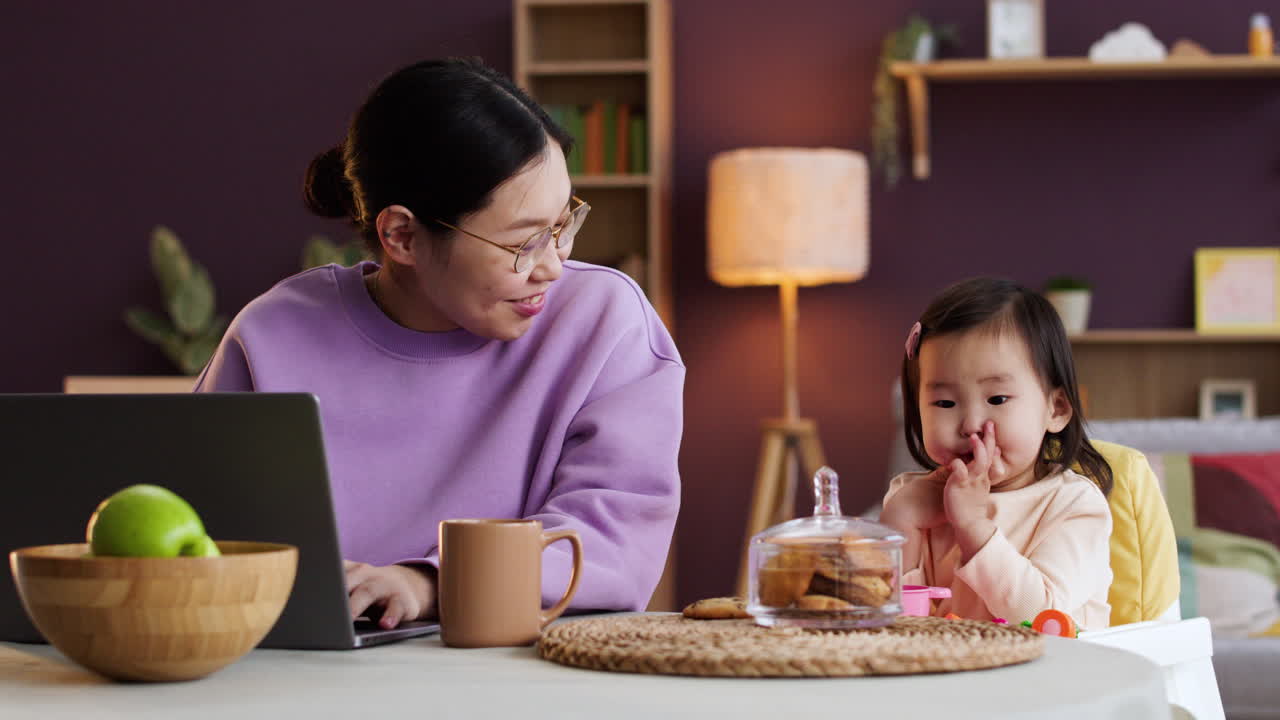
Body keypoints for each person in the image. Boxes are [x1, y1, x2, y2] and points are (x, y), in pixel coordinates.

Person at [195, 58, 684, 629]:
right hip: (306, 664)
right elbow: (195, 536)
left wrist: (430, 581)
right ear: (401, 236)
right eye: (523, 243)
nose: (553, 265)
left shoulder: (604, 321)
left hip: (525, 666)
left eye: (561, 225)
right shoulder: (271, 334)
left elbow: (613, 540)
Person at [880, 276, 1113, 629]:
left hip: (1051, 665)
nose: (971, 424)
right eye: (945, 403)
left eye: (997, 399)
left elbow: (1043, 617)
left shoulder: (1074, 505)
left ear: (1056, 408)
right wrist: (901, 522)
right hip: (940, 665)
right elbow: (881, 621)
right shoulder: (910, 499)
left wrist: (973, 527)